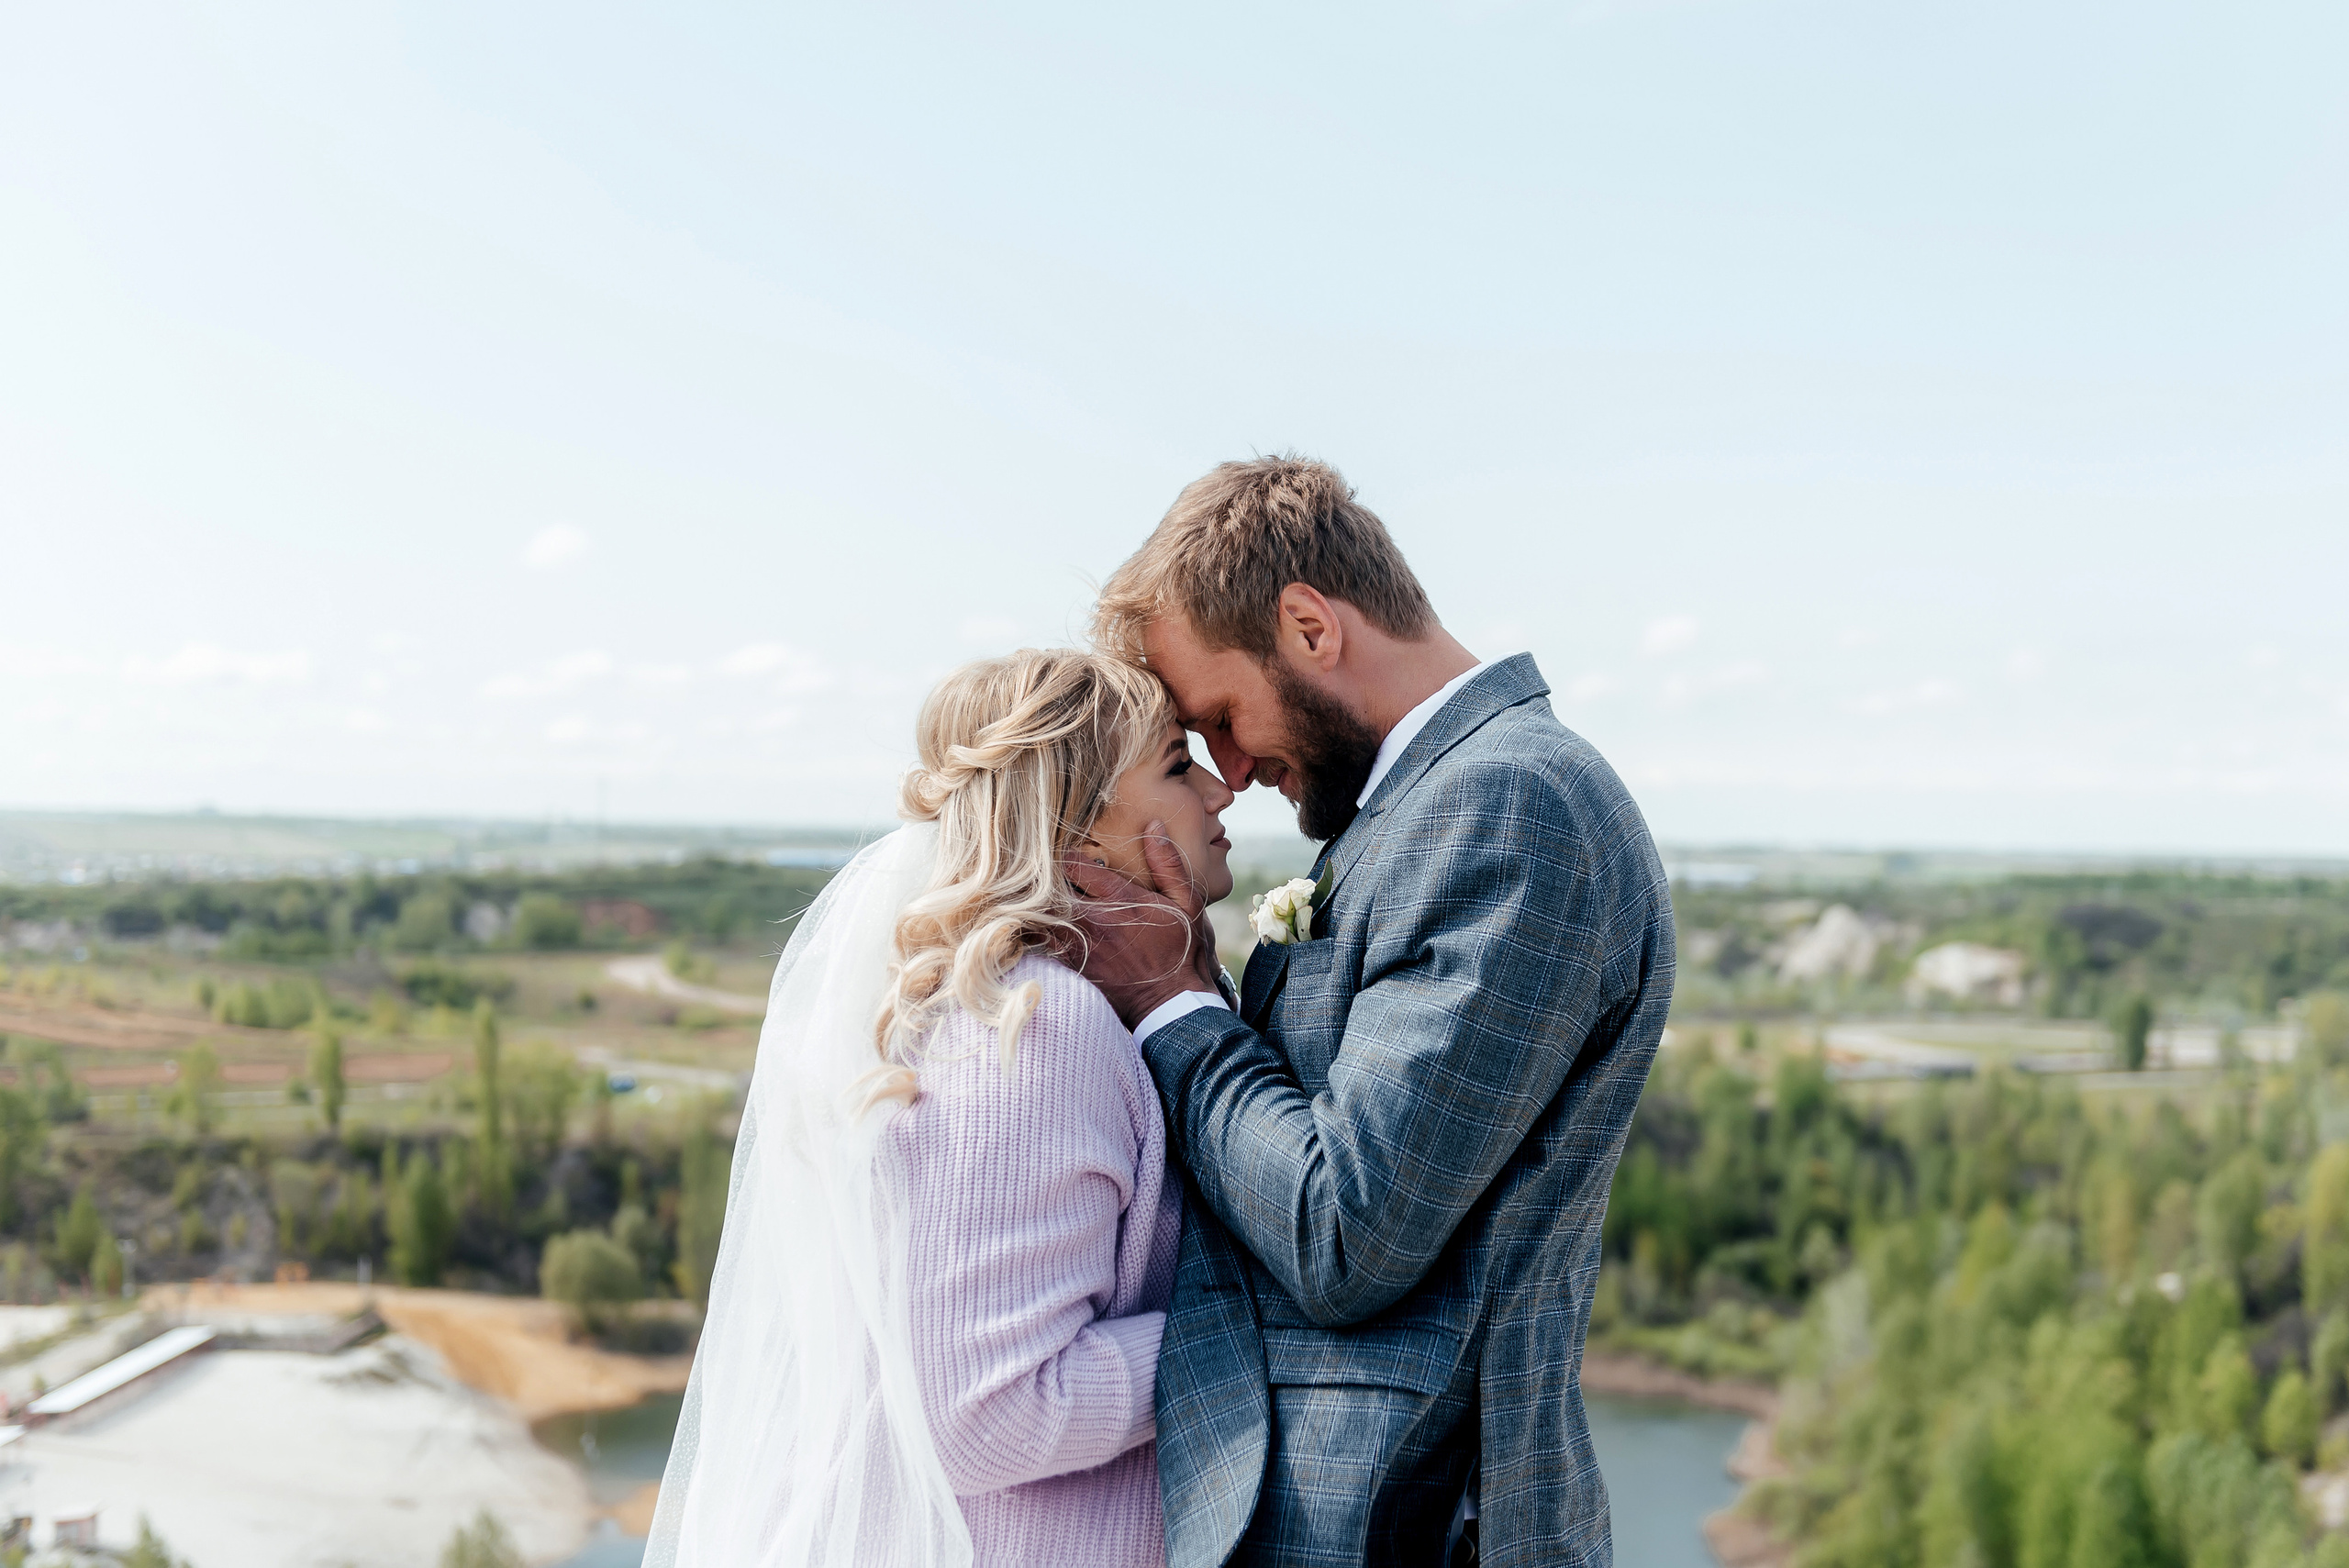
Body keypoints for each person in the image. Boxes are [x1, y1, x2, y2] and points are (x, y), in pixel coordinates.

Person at [1072, 456, 1675, 1568]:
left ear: (1309, 625)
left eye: (1223, 715)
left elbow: (1347, 1229)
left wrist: (1173, 1003)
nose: (1235, 770)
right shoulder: (1415, 809)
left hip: (1417, 1524)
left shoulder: (1508, 805)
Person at [646, 648, 1236, 1568]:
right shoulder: (1037, 1026)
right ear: (1075, 831)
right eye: (1173, 763)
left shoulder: (1033, 1007)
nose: (1218, 789)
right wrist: (1250, 1332)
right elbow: (990, 1413)